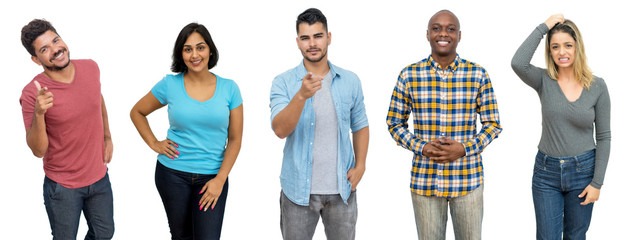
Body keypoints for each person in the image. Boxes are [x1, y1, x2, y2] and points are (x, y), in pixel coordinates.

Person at [386, 10, 502, 240]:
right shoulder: (409, 75)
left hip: (467, 180)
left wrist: (464, 148)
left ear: (459, 36)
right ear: (427, 34)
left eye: (450, 29)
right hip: (425, 181)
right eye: (437, 28)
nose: (443, 33)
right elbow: (394, 123)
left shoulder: (478, 74)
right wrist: (422, 147)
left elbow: (492, 124)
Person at [130, 22, 243, 240]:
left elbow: (235, 139)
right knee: (181, 236)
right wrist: (154, 143)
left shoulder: (230, 88)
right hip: (172, 174)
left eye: (200, 47)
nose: (194, 55)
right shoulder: (170, 84)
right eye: (187, 49)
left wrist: (220, 179)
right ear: (181, 54)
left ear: (210, 49)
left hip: (212, 177)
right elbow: (137, 112)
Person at [270, 8, 369, 240]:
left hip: (342, 191)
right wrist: (301, 96)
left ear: (329, 38)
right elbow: (279, 129)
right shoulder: (283, 82)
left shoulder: (350, 81)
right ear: (297, 42)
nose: (312, 43)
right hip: (298, 193)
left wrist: (361, 165)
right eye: (305, 38)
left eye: (318, 36)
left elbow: (361, 125)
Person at [511, 14, 611, 240]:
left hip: (584, 172)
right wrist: (544, 27)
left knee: (576, 236)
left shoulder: (598, 86)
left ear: (577, 48)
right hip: (546, 173)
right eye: (555, 47)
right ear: (549, 51)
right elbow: (518, 62)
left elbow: (604, 137)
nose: (562, 52)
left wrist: (597, 183)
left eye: (568, 45)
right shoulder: (543, 80)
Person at [19, 19, 115, 240]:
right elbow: (38, 150)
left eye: (55, 40)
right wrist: (39, 113)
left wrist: (107, 137)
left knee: (105, 233)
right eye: (45, 49)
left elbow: (97, 99)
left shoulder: (91, 67)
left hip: (99, 176)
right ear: (36, 59)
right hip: (63, 187)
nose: (56, 50)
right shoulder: (32, 93)